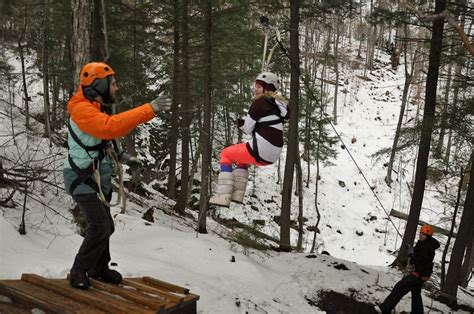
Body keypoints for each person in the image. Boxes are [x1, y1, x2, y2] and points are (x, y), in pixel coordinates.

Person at [64, 62, 171, 289]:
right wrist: (149, 109)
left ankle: (98, 268)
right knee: (100, 226)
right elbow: (110, 128)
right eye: (112, 83)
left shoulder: (96, 108)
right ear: (99, 84)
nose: (116, 88)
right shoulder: (82, 110)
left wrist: (124, 158)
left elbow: (105, 140)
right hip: (81, 179)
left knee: (107, 227)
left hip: (96, 180)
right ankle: (79, 270)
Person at [209, 72, 289, 207]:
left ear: (267, 87)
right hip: (273, 154)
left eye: (258, 87)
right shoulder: (278, 105)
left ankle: (223, 195)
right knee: (241, 158)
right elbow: (265, 123)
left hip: (261, 150)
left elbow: (247, 129)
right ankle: (237, 194)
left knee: (226, 154)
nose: (255, 89)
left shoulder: (260, 102)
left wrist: (241, 124)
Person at [379, 224, 440, 314]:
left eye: (423, 234)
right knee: (416, 294)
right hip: (419, 274)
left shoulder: (428, 248)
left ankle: (385, 309)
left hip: (418, 274)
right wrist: (411, 249)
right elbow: (417, 254)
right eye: (420, 233)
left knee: (399, 288)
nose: (420, 235)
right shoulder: (423, 244)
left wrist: (412, 254)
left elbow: (420, 261)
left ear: (428, 236)